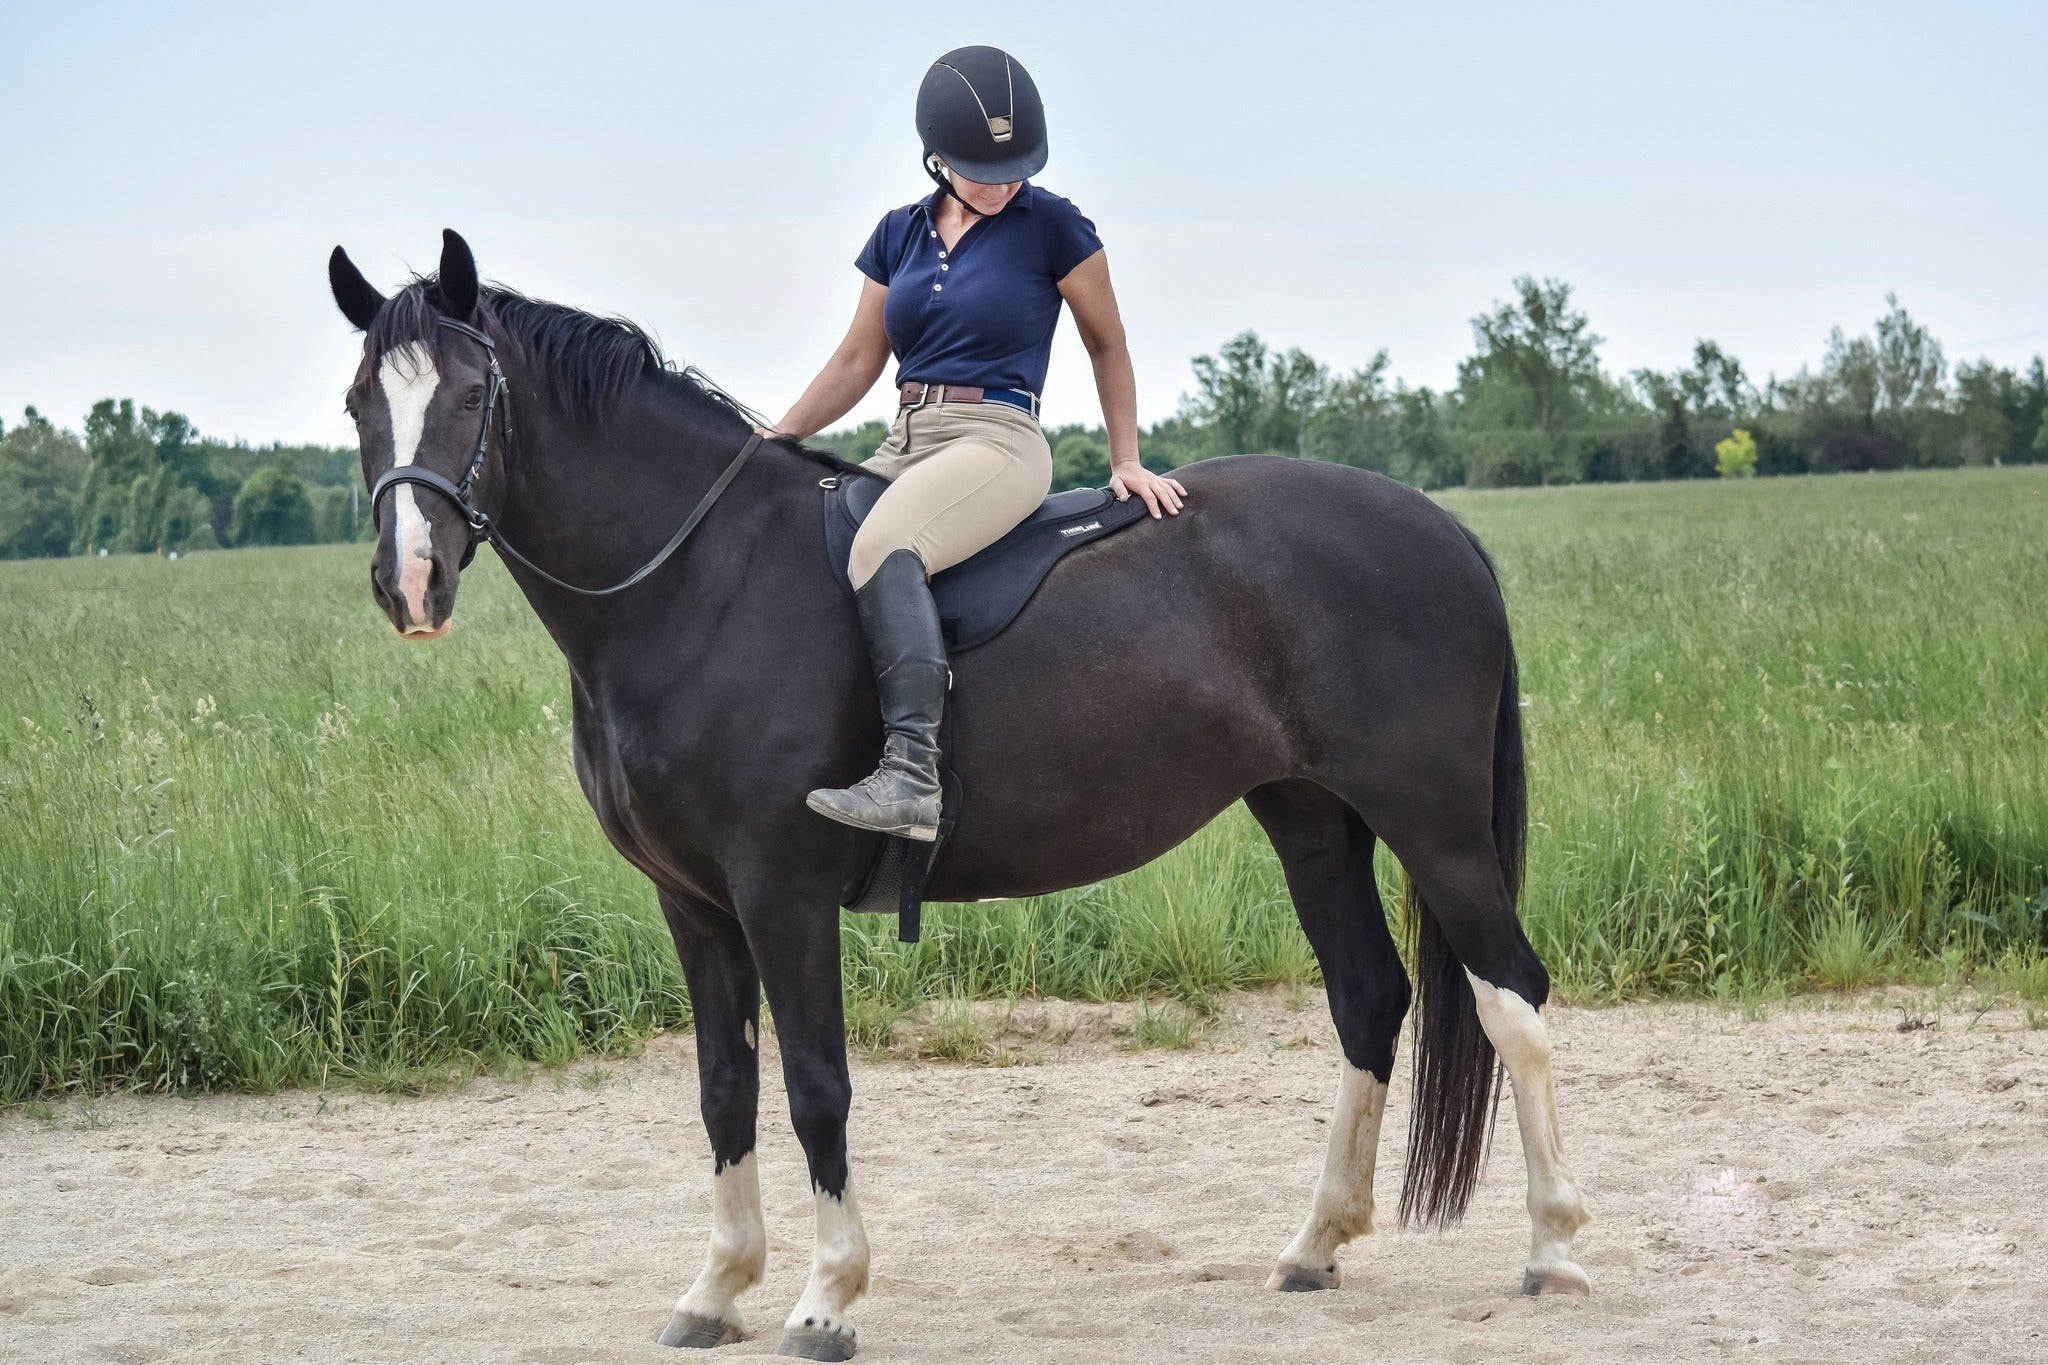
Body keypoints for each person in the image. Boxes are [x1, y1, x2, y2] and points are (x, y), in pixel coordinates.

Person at [764, 45, 1187, 842]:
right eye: (982, 170)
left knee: (886, 545)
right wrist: (780, 433)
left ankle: (912, 778)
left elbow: (1107, 342)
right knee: (803, 539)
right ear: (935, 158)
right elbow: (859, 359)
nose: (1002, 183)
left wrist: (1124, 456)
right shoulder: (898, 233)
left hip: (998, 440)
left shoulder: (1053, 224)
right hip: (905, 436)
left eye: (1016, 167)